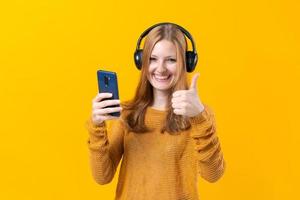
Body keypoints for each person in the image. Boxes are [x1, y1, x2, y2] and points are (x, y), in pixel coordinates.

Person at [85, 22, 226, 200]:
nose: (160, 68)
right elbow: (102, 176)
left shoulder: (199, 115)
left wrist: (198, 117)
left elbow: (213, 174)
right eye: (153, 59)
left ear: (186, 63)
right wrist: (97, 126)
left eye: (171, 60)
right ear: (141, 61)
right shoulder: (127, 114)